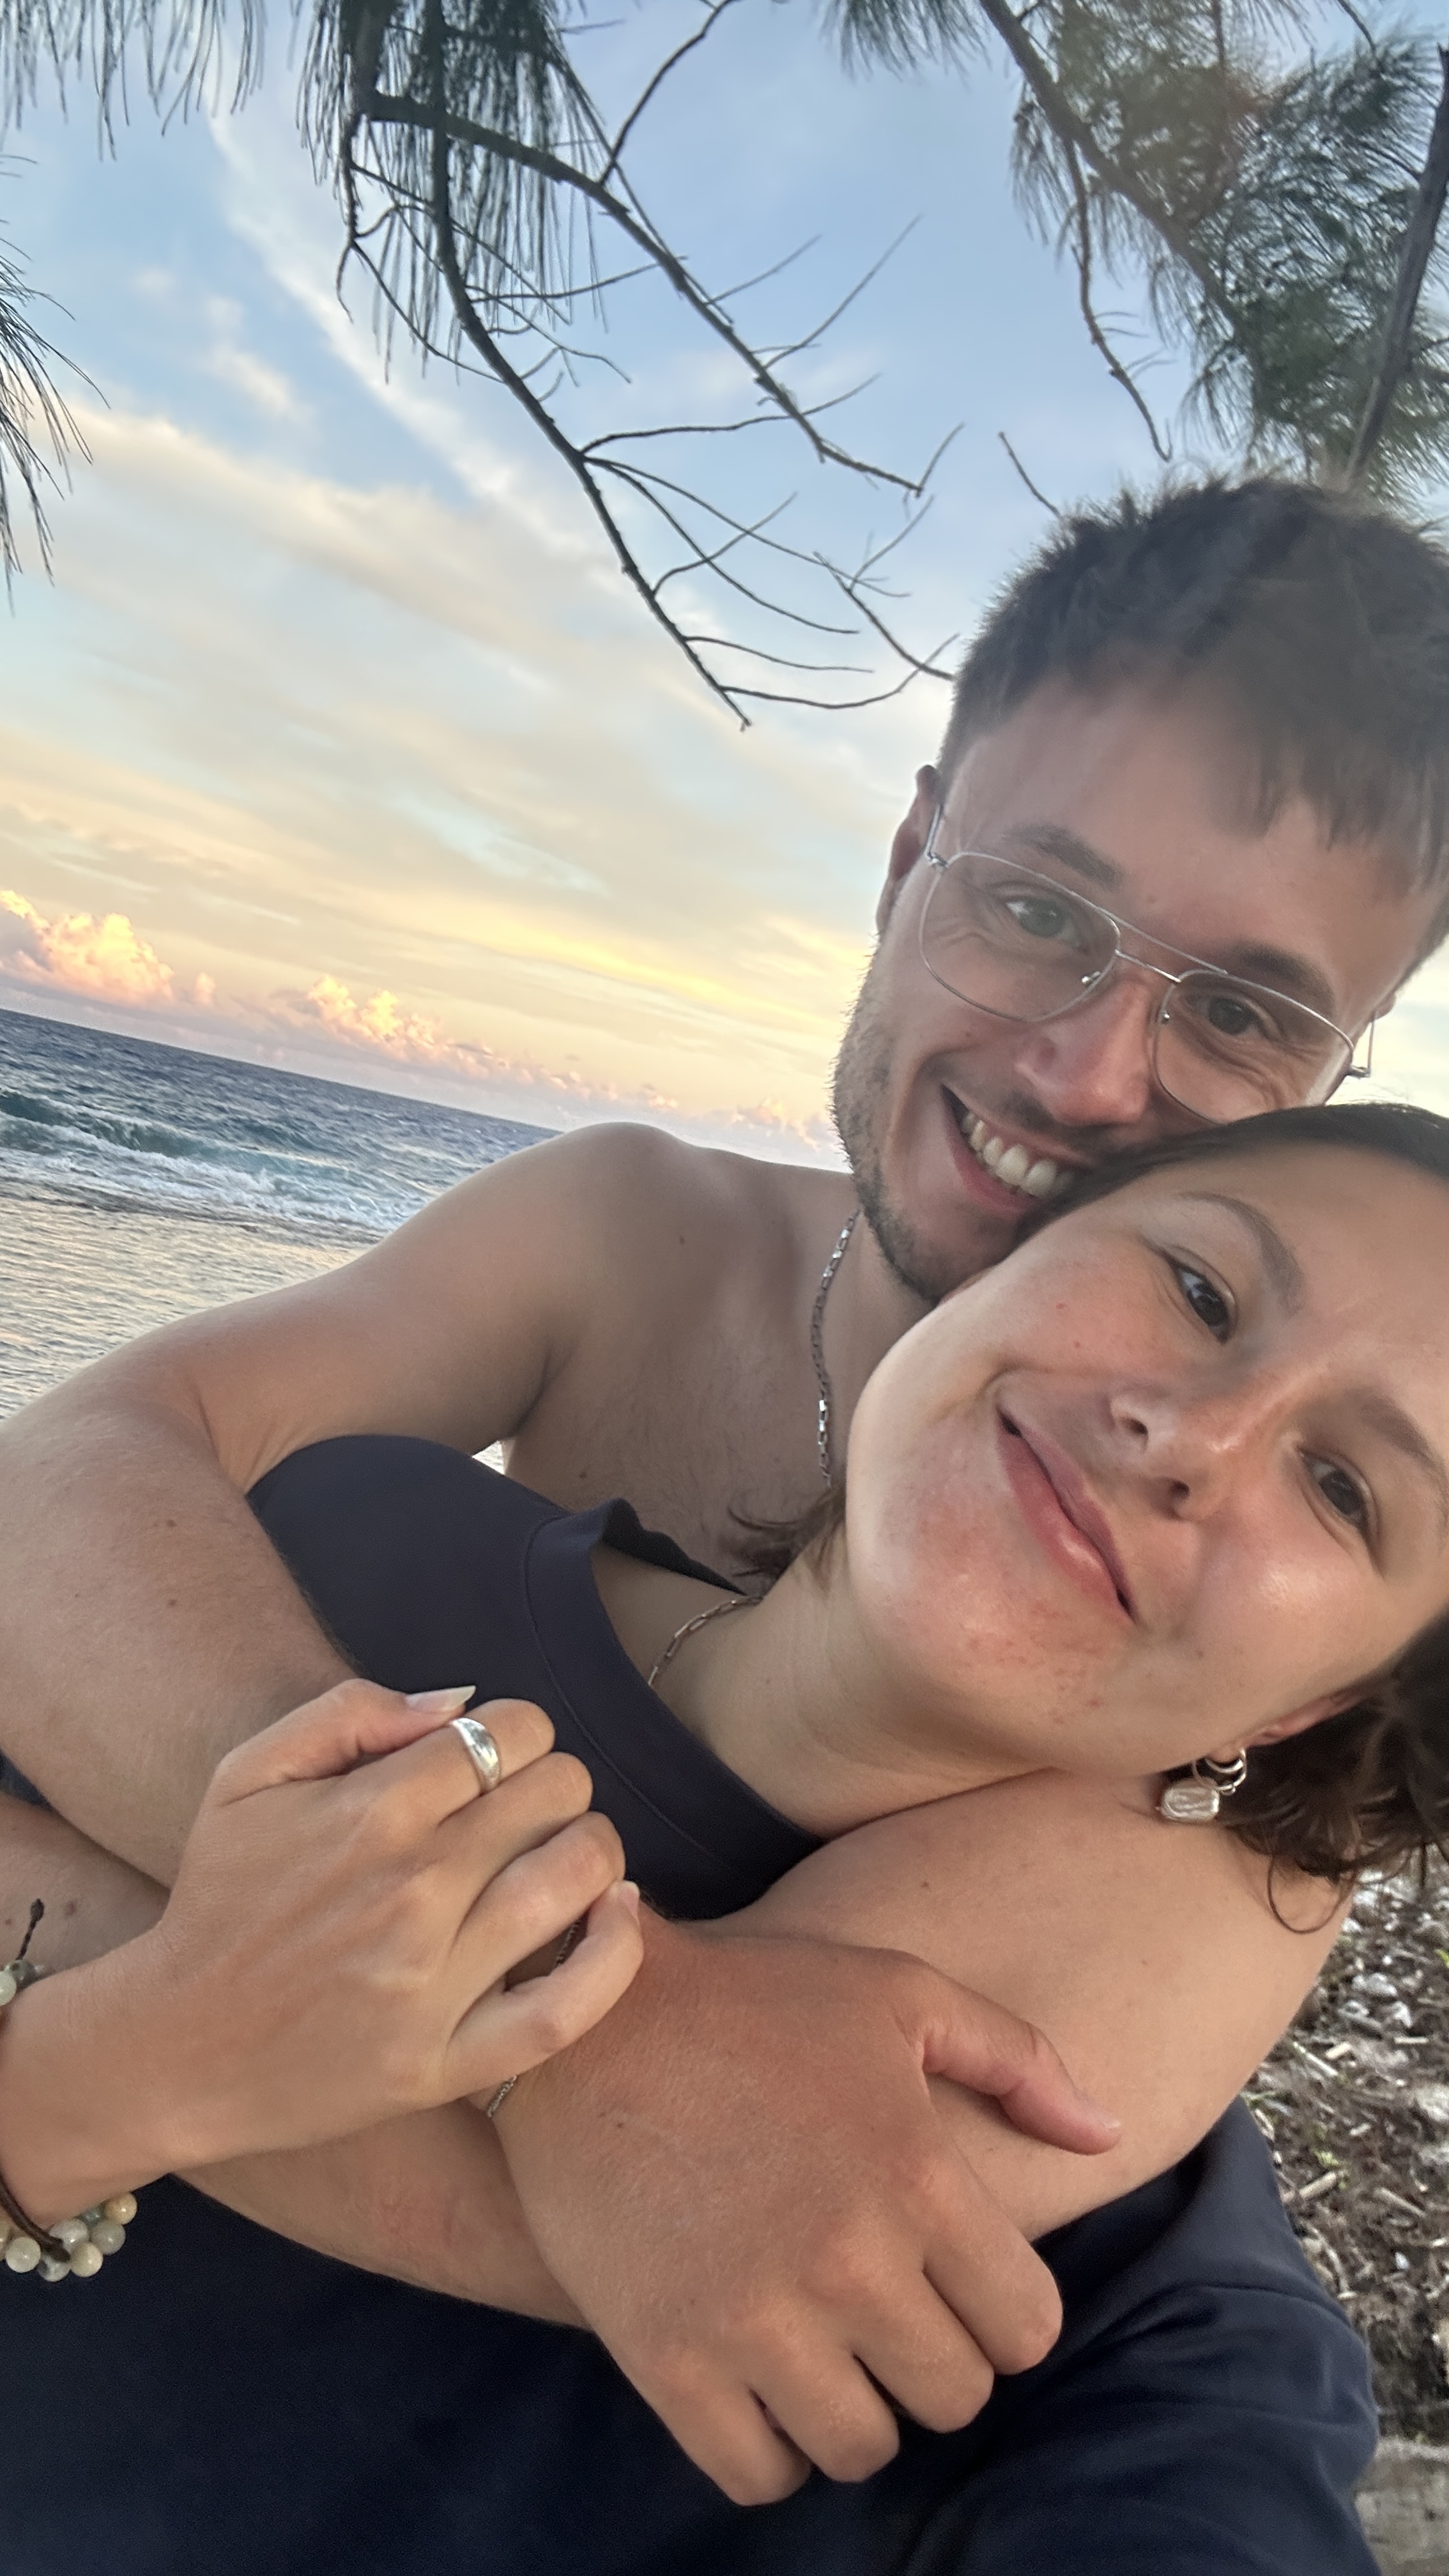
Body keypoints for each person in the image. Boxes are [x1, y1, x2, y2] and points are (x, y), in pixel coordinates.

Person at [3, 475, 1448, 2560]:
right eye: (1036, 910)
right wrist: (591, 2016)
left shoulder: (1234, 1757)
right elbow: (79, 1461)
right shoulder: (627, 1235)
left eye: (1233, 1012)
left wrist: (144, 1980)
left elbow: (723, 2218)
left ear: (1327, 1063)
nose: (1083, 1073)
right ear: (905, 865)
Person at [3, 1101, 1448, 2576]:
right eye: (1199, 1290)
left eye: (1343, 1489)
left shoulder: (1084, 2232)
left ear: (1314, 1706)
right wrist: (576, 2027)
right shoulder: (316, 1520)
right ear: (1006, 1258)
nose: (1190, 1437)